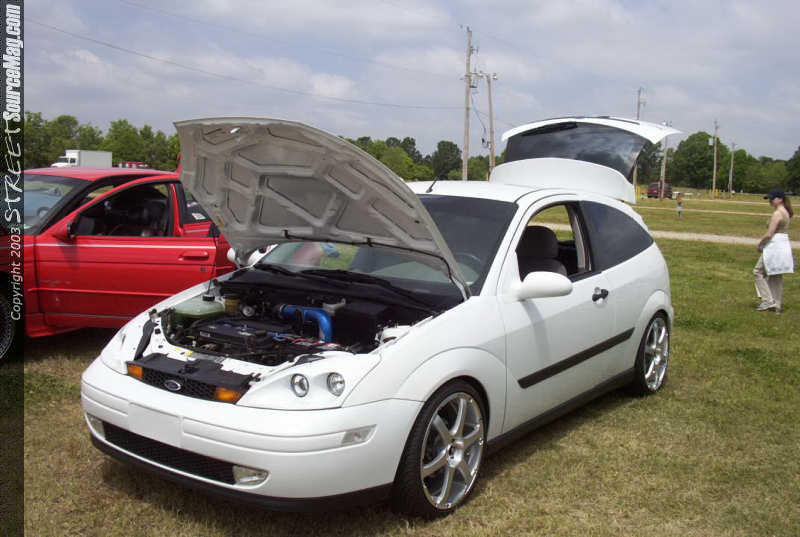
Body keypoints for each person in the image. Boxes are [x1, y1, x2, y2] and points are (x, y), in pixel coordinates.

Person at [754, 189, 794, 313]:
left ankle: (767, 300)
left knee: (758, 271)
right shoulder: (786, 212)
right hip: (783, 243)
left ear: (780, 199)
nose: (770, 201)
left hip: (774, 244)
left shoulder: (777, 213)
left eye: (772, 198)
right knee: (776, 274)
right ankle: (777, 305)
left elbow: (769, 233)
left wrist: (760, 244)